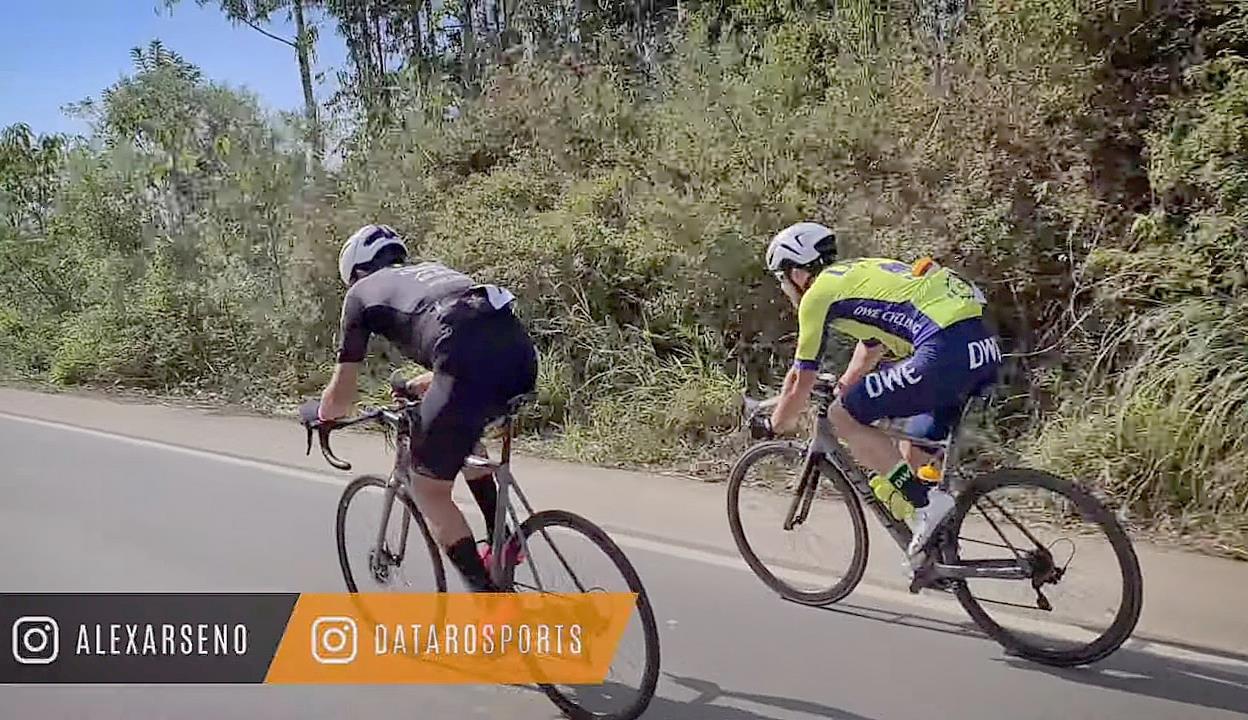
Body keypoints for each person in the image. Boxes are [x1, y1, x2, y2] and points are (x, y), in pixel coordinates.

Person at [304, 224, 538, 592]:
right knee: (462, 435)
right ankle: (503, 542)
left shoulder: (361, 293)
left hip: (462, 356)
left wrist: (321, 415)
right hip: (519, 353)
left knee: (429, 489)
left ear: (357, 272)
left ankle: (491, 604)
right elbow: (472, 342)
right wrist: (418, 385)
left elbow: (342, 397)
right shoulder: (433, 273)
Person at [758, 221, 1001, 567]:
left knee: (842, 416)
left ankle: (925, 506)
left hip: (942, 351)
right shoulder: (858, 273)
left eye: (782, 278)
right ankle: (936, 555)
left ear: (797, 272)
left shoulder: (817, 295)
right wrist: (845, 384)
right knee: (910, 447)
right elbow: (871, 346)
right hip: (981, 346)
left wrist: (775, 423)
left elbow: (801, 377)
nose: (784, 288)